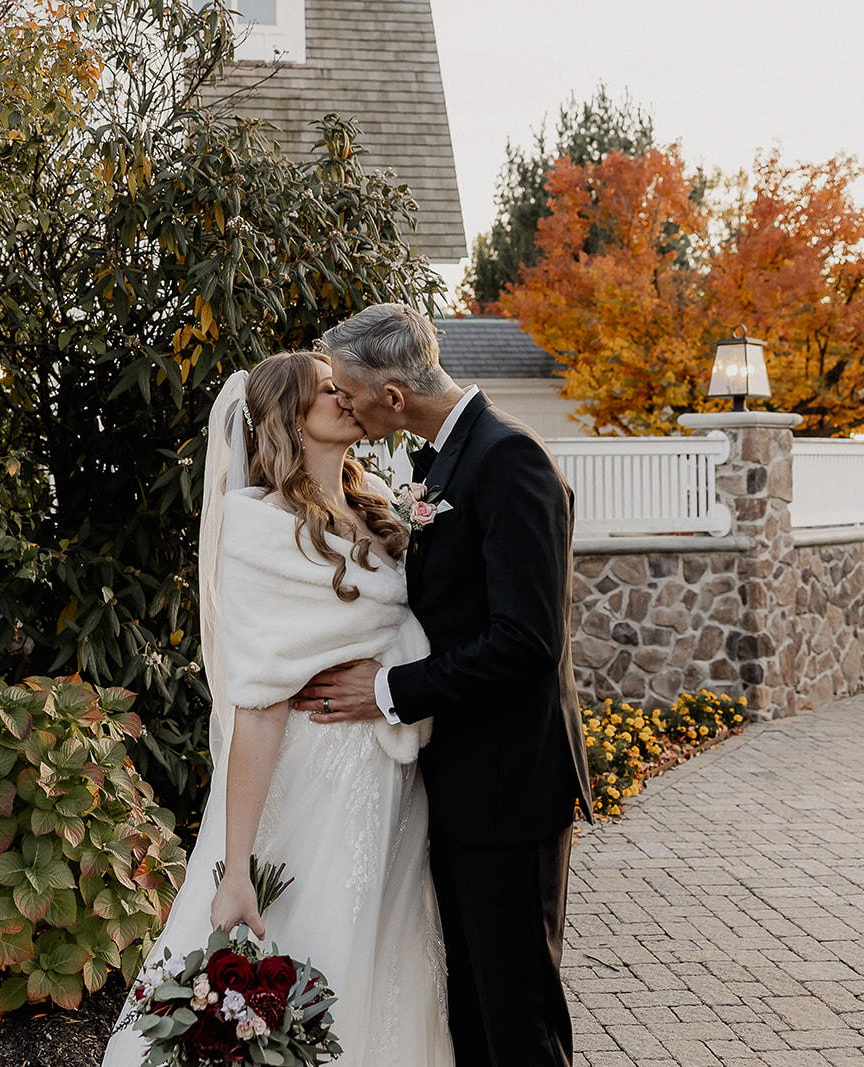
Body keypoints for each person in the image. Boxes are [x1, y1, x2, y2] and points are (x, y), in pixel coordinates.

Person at [101, 351, 454, 1067]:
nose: (348, 396)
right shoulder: (257, 527)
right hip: (315, 778)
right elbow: (257, 706)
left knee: (384, 961)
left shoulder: (377, 504)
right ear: (291, 417)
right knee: (315, 946)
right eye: (329, 390)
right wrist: (234, 868)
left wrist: (393, 679)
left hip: (388, 782)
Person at [297, 303, 594, 1067]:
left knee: (517, 1020)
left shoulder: (509, 461)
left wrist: (388, 690)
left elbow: (526, 641)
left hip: (509, 789)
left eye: (351, 391)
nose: (345, 403)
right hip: (464, 786)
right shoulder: (448, 460)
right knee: (472, 1015)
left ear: (393, 395)